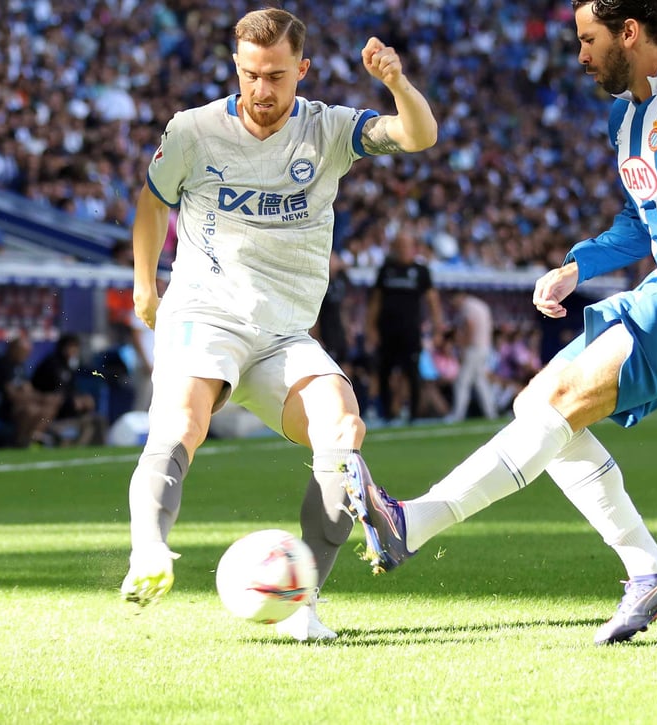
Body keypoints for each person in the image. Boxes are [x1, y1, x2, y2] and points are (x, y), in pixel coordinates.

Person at [341, 0, 657, 645]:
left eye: (589, 40)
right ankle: (650, 571)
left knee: (556, 402)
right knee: (537, 403)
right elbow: (640, 220)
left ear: (630, 32)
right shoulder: (623, 116)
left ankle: (411, 522)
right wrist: (577, 266)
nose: (582, 55)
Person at [120, 7, 437, 644]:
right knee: (184, 422)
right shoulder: (193, 130)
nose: (261, 90)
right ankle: (148, 552)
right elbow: (154, 200)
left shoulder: (330, 130)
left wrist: (397, 83)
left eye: (275, 76)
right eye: (248, 75)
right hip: (204, 310)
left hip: (285, 332)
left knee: (343, 431)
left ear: (303, 70)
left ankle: (303, 602)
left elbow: (418, 136)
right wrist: (146, 282)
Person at [367, 232, 444, 423]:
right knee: (385, 371)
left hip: (410, 331)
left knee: (412, 372)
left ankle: (413, 414)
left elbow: (433, 301)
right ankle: (387, 412)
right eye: (399, 246)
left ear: (414, 248)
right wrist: (371, 328)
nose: (403, 250)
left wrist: (437, 329)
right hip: (387, 331)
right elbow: (375, 301)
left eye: (406, 246)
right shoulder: (386, 270)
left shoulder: (421, 271)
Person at [0, 337, 63, 448]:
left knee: (49, 407)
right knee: (30, 410)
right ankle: (19, 441)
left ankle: (34, 437)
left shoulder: (19, 366)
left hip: (18, 404)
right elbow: (12, 395)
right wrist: (38, 398)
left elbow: (28, 389)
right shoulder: (1, 365)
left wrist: (43, 398)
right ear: (14, 349)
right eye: (24, 352)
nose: (26, 355)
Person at [443, 290, 499, 423]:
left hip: (473, 348)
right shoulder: (480, 305)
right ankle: (491, 413)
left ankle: (457, 414)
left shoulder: (467, 306)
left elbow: (469, 326)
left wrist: (463, 347)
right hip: (484, 347)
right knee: (480, 382)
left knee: (462, 382)